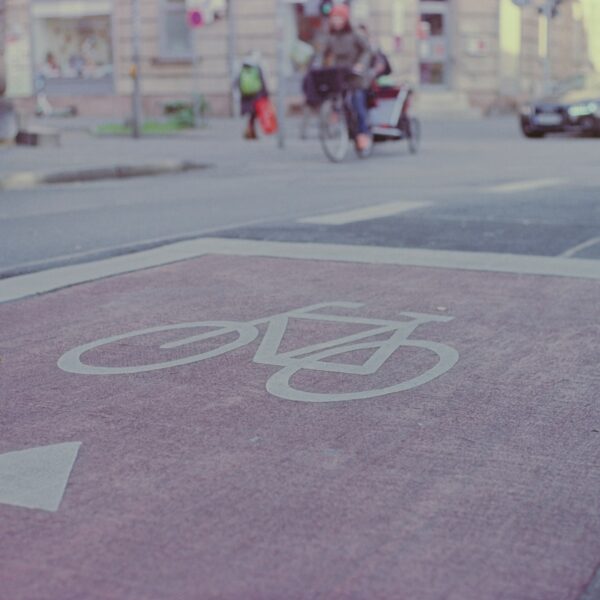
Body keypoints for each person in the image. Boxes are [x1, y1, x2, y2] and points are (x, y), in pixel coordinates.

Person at [320, 4, 373, 152]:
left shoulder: (355, 34)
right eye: (334, 18)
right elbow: (324, 54)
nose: (336, 21)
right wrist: (321, 66)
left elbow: (367, 50)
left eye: (339, 18)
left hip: (356, 77)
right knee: (337, 99)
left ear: (345, 19)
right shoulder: (331, 37)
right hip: (340, 75)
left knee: (357, 103)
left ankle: (363, 133)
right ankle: (338, 120)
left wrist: (360, 64)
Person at [236, 52, 268, 140]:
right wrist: (265, 94)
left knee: (249, 115)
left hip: (245, 94)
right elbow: (262, 81)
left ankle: (249, 131)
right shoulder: (257, 67)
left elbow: (237, 81)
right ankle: (251, 132)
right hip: (256, 94)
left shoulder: (243, 67)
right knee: (253, 115)